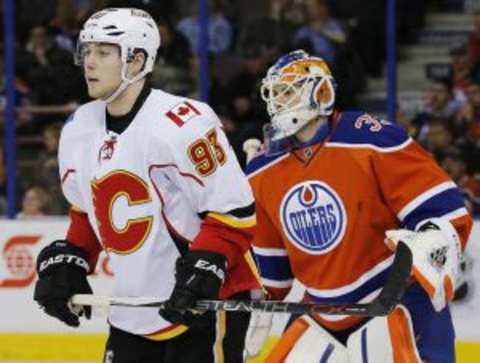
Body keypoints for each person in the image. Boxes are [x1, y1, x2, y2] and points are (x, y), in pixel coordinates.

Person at [33, 8, 260, 363]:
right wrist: (74, 257)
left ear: (137, 60)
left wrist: (206, 266)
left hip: (203, 305)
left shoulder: (184, 123)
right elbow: (88, 209)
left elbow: (235, 212)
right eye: (87, 51)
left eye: (103, 52)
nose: (89, 62)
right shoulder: (79, 127)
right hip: (133, 307)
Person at [245, 50, 473, 362]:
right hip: (321, 311)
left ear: (320, 91)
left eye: (289, 91)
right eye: (275, 94)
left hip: (398, 296)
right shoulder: (262, 170)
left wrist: (432, 238)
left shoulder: (371, 139)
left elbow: (443, 211)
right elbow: (272, 271)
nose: (279, 102)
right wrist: (254, 298)